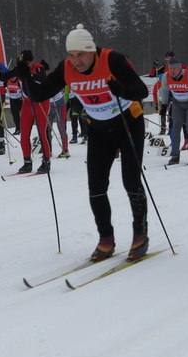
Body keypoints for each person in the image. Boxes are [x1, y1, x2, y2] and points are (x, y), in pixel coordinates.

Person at [19, 24, 150, 261]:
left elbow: (141, 91)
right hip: (98, 129)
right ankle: (106, 238)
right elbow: (38, 95)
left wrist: (121, 89)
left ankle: (140, 235)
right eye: (72, 55)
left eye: (81, 54)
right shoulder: (66, 68)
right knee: (96, 186)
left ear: (91, 50)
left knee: (131, 180)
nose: (76, 61)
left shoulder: (112, 59)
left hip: (128, 123)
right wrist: (24, 76)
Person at [0, 50, 52, 174]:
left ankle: (46, 161)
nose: (24, 66)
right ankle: (27, 162)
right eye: (22, 64)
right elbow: (5, 76)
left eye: (27, 63)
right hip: (27, 103)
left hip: (41, 102)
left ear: (32, 61)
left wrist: (30, 75)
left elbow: (43, 78)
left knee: (42, 133)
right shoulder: (20, 69)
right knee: (24, 133)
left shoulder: (38, 68)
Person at [157, 58, 188, 165]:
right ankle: (175, 155)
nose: (172, 71)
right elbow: (165, 91)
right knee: (175, 127)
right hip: (177, 103)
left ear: (180, 68)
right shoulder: (166, 77)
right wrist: (163, 105)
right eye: (170, 68)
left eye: (174, 68)